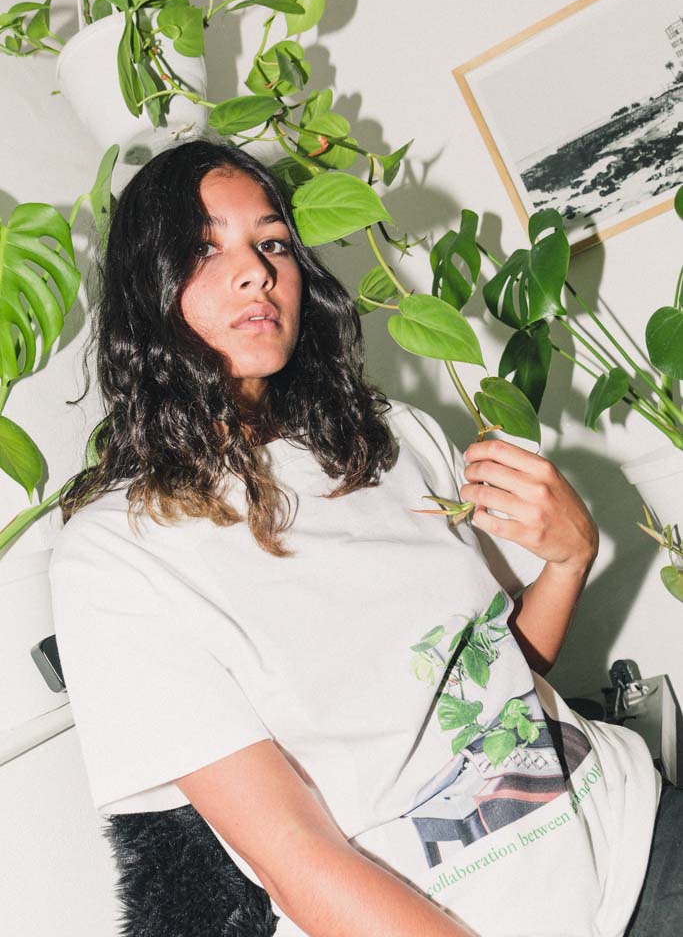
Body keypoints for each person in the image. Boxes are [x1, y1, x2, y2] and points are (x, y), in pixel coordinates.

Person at [48, 139, 676, 937]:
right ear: (148, 290)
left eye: (271, 243)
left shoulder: (394, 437)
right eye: (204, 250)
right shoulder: (118, 555)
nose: (257, 272)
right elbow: (294, 857)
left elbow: (495, 679)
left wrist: (568, 558)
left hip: (636, 827)